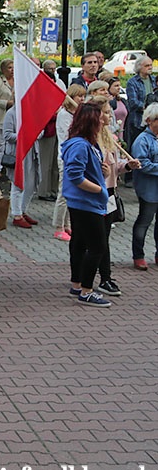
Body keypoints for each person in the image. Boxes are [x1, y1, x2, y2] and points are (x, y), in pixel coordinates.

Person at [62, 102, 112, 307]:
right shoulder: (81, 145)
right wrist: (100, 189)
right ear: (91, 121)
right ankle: (87, 290)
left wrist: (103, 173)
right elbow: (75, 175)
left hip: (81, 202)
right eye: (99, 119)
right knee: (97, 246)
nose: (103, 122)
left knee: (80, 243)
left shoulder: (84, 143)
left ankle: (77, 283)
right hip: (86, 203)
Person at [93, 96, 138, 296]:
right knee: (92, 239)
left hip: (109, 193)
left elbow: (116, 167)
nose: (110, 116)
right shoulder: (87, 139)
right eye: (106, 112)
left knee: (104, 238)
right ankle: (82, 278)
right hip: (93, 193)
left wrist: (127, 166)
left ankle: (105, 277)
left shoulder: (109, 137)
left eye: (110, 112)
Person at [52, 85, 86, 241]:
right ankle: (58, 226)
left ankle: (67, 225)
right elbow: (67, 136)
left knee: (72, 192)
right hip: (66, 157)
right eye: (79, 96)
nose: (82, 99)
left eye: (83, 96)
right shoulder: (64, 115)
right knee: (63, 192)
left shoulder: (77, 114)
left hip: (76, 157)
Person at [2, 106, 41, 229]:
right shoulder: (11, 113)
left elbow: (40, 130)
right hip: (18, 153)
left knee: (31, 183)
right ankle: (17, 215)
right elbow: (7, 135)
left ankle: (23, 210)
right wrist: (25, 136)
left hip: (32, 151)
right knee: (17, 183)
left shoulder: (32, 112)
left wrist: (35, 134)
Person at [130, 103, 158, 271]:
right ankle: (138, 255)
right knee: (144, 222)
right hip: (148, 190)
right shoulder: (142, 140)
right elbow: (142, 164)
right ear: (149, 121)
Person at [125, 56, 155, 152]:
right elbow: (133, 102)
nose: (150, 67)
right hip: (138, 121)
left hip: (154, 121)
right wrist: (149, 109)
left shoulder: (154, 80)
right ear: (139, 67)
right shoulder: (132, 82)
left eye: (151, 65)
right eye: (147, 65)